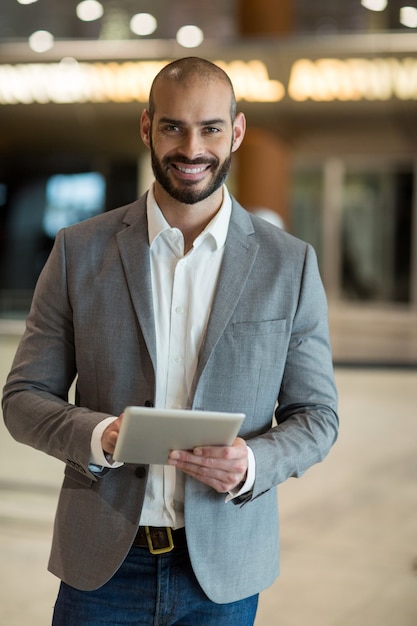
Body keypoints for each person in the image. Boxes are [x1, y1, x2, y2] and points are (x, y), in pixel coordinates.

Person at [2, 57, 339, 626]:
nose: (191, 148)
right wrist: (100, 436)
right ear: (145, 128)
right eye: (173, 127)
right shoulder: (79, 250)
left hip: (224, 573)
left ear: (236, 132)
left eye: (210, 128)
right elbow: (22, 399)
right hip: (103, 567)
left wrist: (253, 463)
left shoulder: (291, 264)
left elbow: (318, 415)